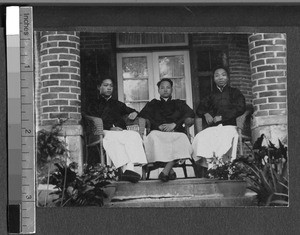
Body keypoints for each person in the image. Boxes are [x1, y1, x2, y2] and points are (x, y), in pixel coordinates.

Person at [85, 78, 147, 183]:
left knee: (134, 135)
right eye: (105, 85)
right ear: (99, 87)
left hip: (120, 130)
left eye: (111, 85)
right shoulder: (93, 104)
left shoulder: (117, 104)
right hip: (102, 131)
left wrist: (135, 113)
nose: (109, 87)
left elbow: (132, 111)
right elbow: (92, 120)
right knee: (114, 138)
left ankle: (129, 168)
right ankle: (126, 170)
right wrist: (110, 127)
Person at [192, 66, 246, 177]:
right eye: (217, 75)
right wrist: (206, 113)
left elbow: (241, 108)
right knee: (201, 136)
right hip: (214, 128)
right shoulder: (210, 95)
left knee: (223, 137)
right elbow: (199, 109)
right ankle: (211, 167)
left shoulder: (235, 93)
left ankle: (224, 168)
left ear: (228, 77)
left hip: (230, 126)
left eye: (223, 75)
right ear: (214, 79)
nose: (220, 78)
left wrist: (223, 117)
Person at [139, 78, 195, 182]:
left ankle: (166, 171)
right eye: (162, 88)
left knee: (182, 138)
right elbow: (142, 115)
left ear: (172, 90)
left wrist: (175, 124)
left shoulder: (178, 103)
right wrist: (157, 125)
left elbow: (191, 113)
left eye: (168, 87)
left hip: (176, 132)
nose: (165, 90)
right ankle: (170, 170)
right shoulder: (153, 104)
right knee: (153, 137)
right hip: (158, 133)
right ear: (158, 90)